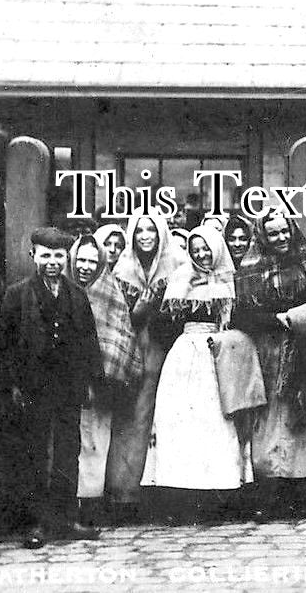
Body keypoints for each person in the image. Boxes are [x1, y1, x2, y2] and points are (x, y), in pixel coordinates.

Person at [142, 227, 263, 520]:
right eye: (195, 249)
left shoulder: (233, 280)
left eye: (206, 248)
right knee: (182, 425)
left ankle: (220, 497)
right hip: (185, 356)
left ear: (217, 249)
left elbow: (246, 319)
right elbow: (162, 327)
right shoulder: (180, 279)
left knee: (219, 425)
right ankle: (181, 498)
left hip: (220, 355)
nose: (201, 254)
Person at [0, 228, 103, 548]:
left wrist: (91, 381)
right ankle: (38, 524)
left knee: (69, 453)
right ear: (34, 256)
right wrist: (12, 384)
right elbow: (2, 346)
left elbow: (88, 341)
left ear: (65, 258)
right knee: (36, 454)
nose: (52, 262)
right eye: (45, 255)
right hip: (32, 388)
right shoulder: (17, 295)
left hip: (69, 386)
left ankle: (66, 519)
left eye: (58, 256)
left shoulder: (76, 295)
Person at [232, 209, 306, 518]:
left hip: (305, 348)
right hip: (267, 351)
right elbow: (241, 315)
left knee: (303, 418)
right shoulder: (250, 267)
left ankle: (301, 494)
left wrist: (304, 317)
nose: (280, 238)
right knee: (269, 423)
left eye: (284, 232)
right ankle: (270, 494)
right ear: (264, 236)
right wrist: (275, 319)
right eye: (273, 233)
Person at [106, 212, 189, 523]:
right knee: (134, 423)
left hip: (171, 350)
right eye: (138, 230)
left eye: (151, 229)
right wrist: (143, 304)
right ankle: (127, 495)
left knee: (171, 422)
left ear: (161, 233)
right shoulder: (123, 268)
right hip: (135, 350)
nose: (144, 235)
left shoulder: (179, 263)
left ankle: (170, 497)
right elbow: (118, 316)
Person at [69, 235, 141, 525]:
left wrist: (101, 376)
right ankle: (67, 503)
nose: (86, 267)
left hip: (99, 382)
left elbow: (120, 334)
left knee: (96, 441)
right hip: (66, 381)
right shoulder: (64, 290)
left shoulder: (109, 292)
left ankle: (90, 504)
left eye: (92, 261)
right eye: (81, 260)